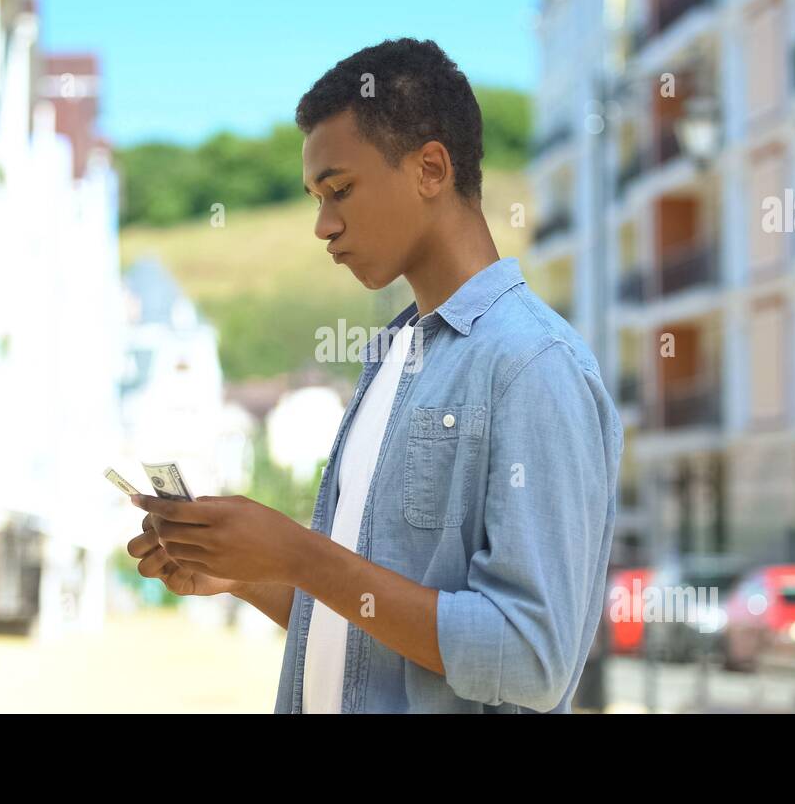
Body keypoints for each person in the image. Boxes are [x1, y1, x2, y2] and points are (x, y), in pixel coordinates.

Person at [125, 37, 623, 713]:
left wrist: (298, 554)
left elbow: (531, 658)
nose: (323, 225)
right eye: (314, 197)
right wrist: (244, 573)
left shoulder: (533, 364)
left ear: (430, 168)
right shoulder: (392, 359)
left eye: (340, 190)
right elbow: (368, 634)